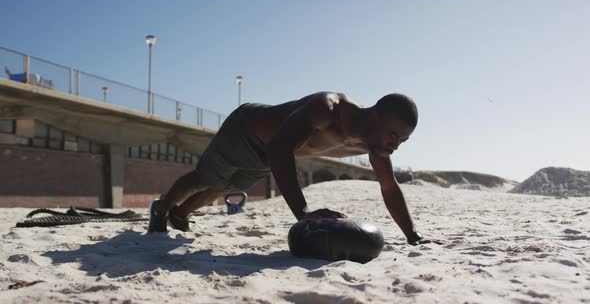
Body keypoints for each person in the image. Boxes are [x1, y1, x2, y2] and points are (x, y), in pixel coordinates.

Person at [148, 91, 430, 245]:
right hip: (247, 130)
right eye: (393, 135)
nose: (395, 145)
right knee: (206, 178)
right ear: (376, 115)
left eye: (402, 140)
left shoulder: (374, 146)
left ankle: (180, 213)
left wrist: (412, 235)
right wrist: (304, 213)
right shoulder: (328, 109)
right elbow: (281, 148)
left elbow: (389, 187)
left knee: (225, 186)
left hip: (268, 152)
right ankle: (161, 212)